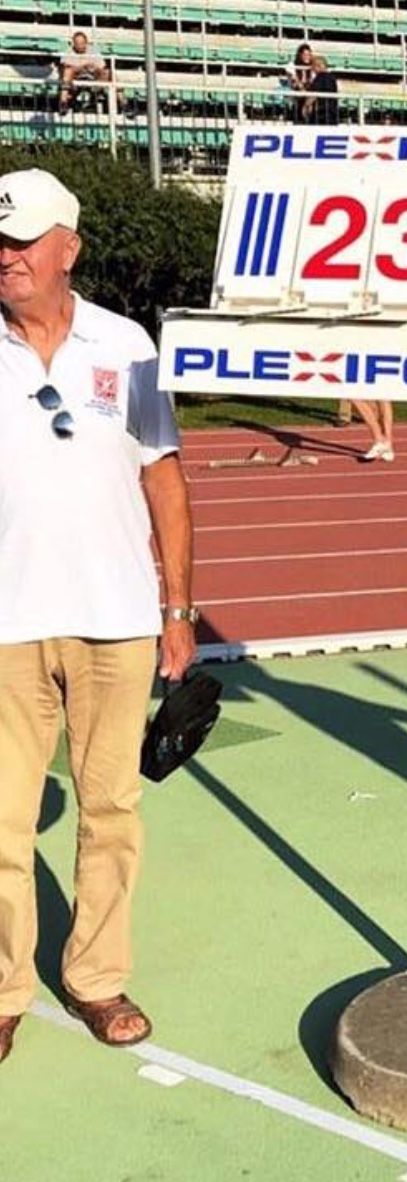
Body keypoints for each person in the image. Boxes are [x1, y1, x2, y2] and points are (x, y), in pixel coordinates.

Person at [0, 168, 198, 1063]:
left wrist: (179, 610)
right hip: (8, 624)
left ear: (68, 248)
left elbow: (165, 479)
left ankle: (95, 979)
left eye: (23, 241)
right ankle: (5, 988)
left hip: (115, 620)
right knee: (4, 820)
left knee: (111, 809)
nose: (7, 256)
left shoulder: (127, 345)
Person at [58, 31, 115, 115]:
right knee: (67, 71)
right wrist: (80, 68)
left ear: (86, 42)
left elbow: (102, 66)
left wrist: (94, 67)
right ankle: (63, 102)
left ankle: (124, 104)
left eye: (82, 43)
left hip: (92, 78)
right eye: (77, 44)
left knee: (109, 73)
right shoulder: (68, 52)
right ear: (74, 43)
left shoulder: (93, 51)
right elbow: (64, 67)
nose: (80, 46)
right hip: (74, 80)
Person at [299, 55, 339, 125]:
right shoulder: (332, 78)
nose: (312, 69)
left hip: (320, 116)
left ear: (318, 66)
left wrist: (306, 106)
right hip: (332, 115)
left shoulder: (320, 77)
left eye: (313, 66)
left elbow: (314, 94)